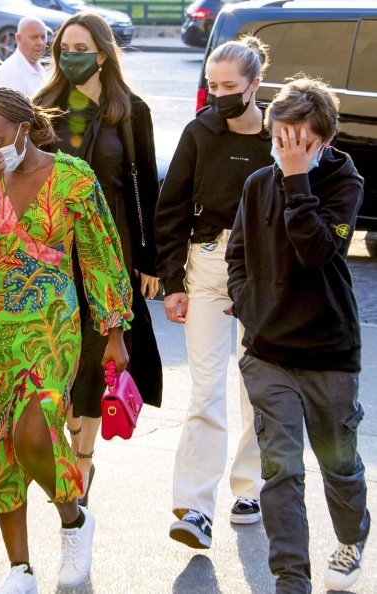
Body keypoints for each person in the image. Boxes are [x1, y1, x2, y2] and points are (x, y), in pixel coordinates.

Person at [0, 87, 133, 593]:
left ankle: (74, 518)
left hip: (50, 322)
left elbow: (102, 256)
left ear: (23, 128)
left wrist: (114, 334)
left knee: (32, 435)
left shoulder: (72, 178)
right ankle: (20, 569)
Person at [226, 76, 371, 594]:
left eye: (299, 140)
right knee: (281, 470)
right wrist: (248, 302)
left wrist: (296, 179)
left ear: (324, 141)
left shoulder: (343, 181)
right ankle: (291, 579)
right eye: (278, 136)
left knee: (338, 463)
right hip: (268, 352)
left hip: (329, 351)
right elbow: (236, 254)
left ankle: (352, 536)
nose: (284, 148)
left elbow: (316, 252)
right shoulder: (257, 182)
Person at [35, 12, 163, 507]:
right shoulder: (43, 108)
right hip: (53, 253)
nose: (70, 54)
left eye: (80, 46)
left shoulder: (130, 111)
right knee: (60, 360)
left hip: (112, 251)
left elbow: (145, 187)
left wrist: (150, 261)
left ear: (103, 53)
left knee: (97, 357)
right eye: (63, 46)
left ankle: (82, 466)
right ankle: (70, 442)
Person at [154, 36, 272, 549]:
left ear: (256, 84)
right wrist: (173, 283)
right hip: (207, 264)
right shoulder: (200, 131)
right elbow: (171, 207)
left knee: (256, 386)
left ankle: (249, 488)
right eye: (211, 85)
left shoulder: (280, 133)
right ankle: (195, 507)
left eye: (229, 86)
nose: (218, 94)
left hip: (267, 271)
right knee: (206, 389)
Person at [0, 17, 48, 97]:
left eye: (43, 37)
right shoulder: (12, 72)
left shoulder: (37, 65)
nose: (40, 42)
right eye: (34, 37)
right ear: (18, 38)